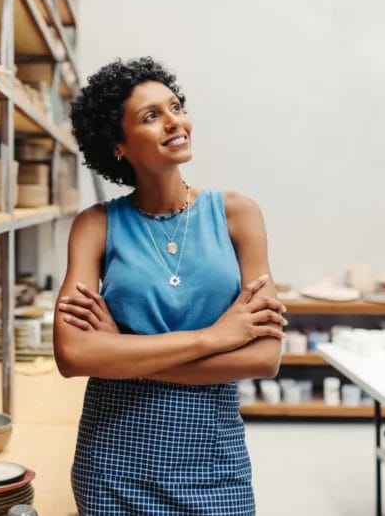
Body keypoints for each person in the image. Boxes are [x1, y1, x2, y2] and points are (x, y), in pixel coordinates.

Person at [54, 56, 287, 515]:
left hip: (215, 463)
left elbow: (264, 355)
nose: (174, 122)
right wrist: (212, 338)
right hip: (114, 465)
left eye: (175, 106)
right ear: (117, 144)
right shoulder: (95, 225)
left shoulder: (238, 214)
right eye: (151, 116)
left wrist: (120, 352)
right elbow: (74, 355)